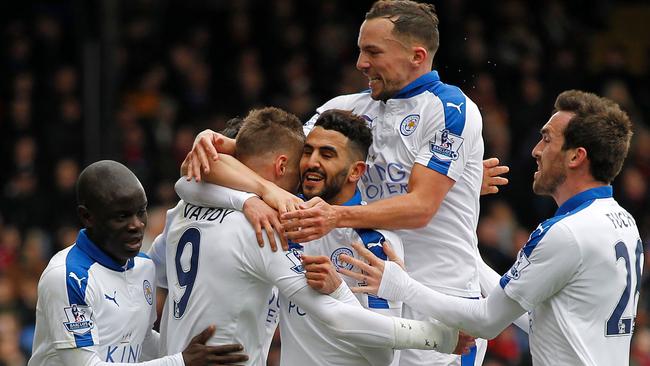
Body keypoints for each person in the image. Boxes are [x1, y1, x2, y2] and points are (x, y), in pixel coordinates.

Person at [185, 2, 506, 365]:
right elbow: (234, 158)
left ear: (416, 56)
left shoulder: (450, 109)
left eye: (372, 51)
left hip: (436, 299)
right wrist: (246, 177)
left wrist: (335, 216)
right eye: (359, 50)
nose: (360, 63)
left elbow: (421, 208)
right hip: (361, 291)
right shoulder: (343, 111)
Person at [337, 90, 641, 365]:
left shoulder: (565, 233)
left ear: (576, 156)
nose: (536, 150)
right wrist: (456, 201)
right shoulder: (622, 222)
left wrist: (400, 286)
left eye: (547, 139)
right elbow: (542, 317)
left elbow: (486, 321)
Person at [150, 107, 468, 366]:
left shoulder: (186, 207)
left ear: (356, 170)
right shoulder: (268, 225)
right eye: (307, 153)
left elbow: (383, 358)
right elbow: (338, 317)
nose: (309, 165)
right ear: (282, 164)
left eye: (326, 154)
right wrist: (441, 337)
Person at [28, 160, 248, 366]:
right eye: (121, 216)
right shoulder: (68, 277)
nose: (136, 225)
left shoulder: (145, 267)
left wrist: (195, 352)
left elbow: (140, 340)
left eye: (141, 211)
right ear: (87, 217)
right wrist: (180, 361)